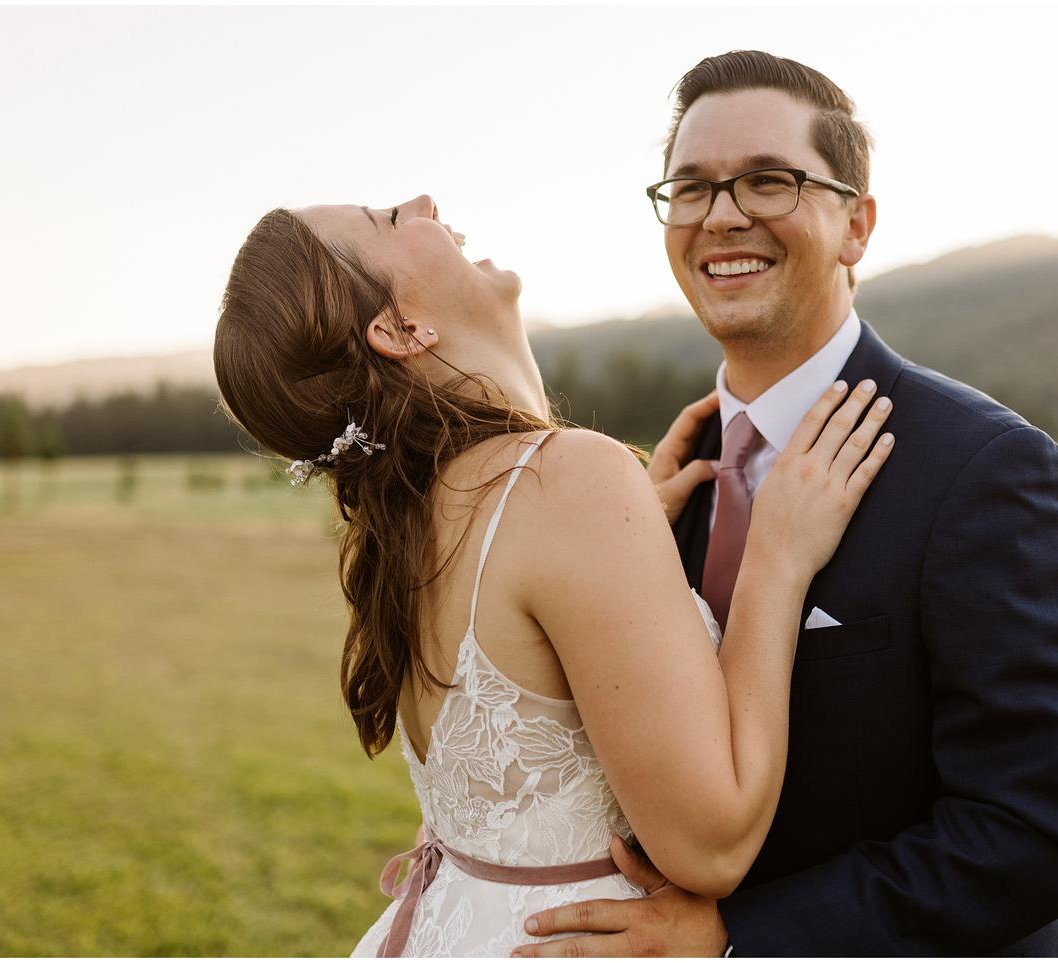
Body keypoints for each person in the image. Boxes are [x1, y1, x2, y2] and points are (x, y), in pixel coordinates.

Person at [515, 50, 1058, 957]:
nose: (722, 216)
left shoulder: (989, 469)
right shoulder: (663, 491)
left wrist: (738, 937)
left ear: (856, 225)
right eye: (692, 187)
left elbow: (1037, 835)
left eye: (769, 180)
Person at [212, 194, 895, 955]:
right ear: (400, 330)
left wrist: (631, 544)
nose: (423, 203)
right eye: (390, 220)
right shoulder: (564, 481)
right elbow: (714, 845)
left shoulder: (413, 517)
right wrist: (777, 555)